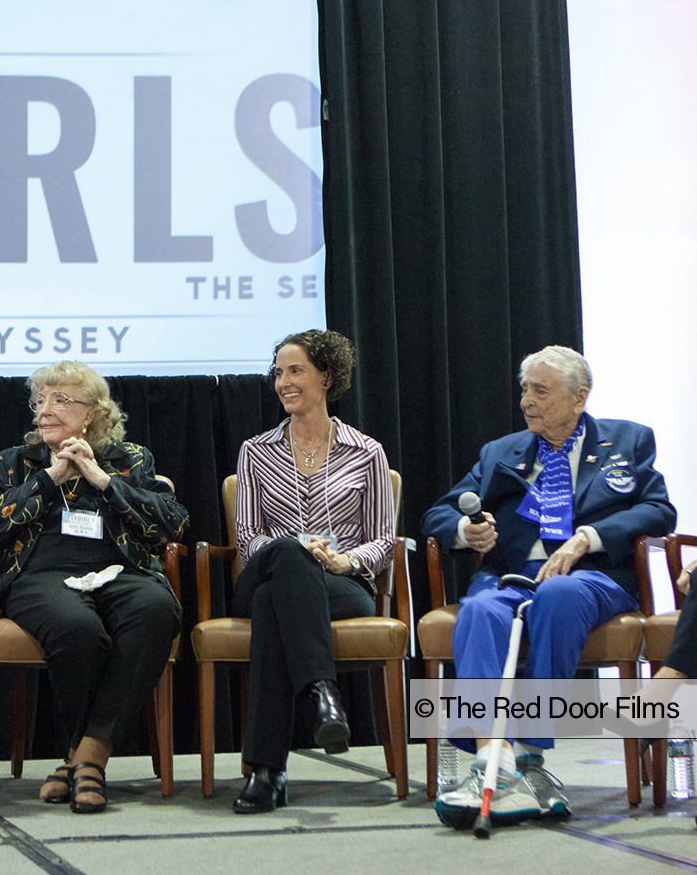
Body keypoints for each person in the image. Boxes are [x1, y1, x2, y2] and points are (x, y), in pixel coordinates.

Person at [423, 345, 677, 826]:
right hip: (511, 578)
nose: (527, 401)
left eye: (541, 390)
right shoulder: (502, 452)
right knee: (478, 610)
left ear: (580, 397)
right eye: (524, 389)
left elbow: (658, 510)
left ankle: (528, 756)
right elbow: (439, 511)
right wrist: (465, 531)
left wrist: (588, 537)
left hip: (593, 578)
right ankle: (490, 762)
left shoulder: (628, 440)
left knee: (558, 595)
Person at [0, 361, 185, 814]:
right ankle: (92, 760)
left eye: (59, 400)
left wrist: (103, 482)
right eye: (39, 400)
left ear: (91, 414)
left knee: (158, 609)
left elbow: (173, 522)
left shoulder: (130, 460)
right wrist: (49, 480)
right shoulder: (15, 462)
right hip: (38, 577)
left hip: (121, 572)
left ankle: (84, 757)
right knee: (75, 627)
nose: (44, 410)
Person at [230, 331, 394, 813]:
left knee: (273, 605)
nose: (283, 382)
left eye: (295, 370)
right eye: (278, 373)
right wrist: (295, 548)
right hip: (264, 569)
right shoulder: (256, 451)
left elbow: (383, 538)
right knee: (285, 555)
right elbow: (246, 535)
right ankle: (322, 691)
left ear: (327, 377)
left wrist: (346, 560)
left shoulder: (367, 452)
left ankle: (268, 771)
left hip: (341, 585)